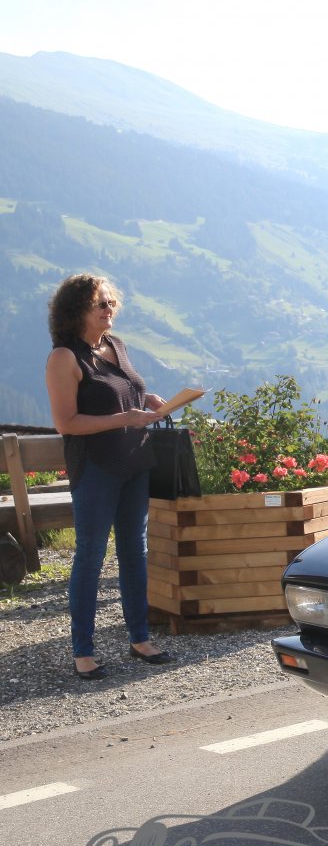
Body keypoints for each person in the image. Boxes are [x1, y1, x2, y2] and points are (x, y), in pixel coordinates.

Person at [43, 274, 171, 681]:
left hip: (135, 461)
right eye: (99, 303)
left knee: (135, 552)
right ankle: (83, 651)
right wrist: (124, 417)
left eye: (111, 301)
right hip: (96, 468)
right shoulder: (64, 358)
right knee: (91, 556)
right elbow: (66, 423)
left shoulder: (117, 345)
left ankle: (140, 639)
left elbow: (121, 391)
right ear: (77, 309)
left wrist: (145, 399)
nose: (108, 308)